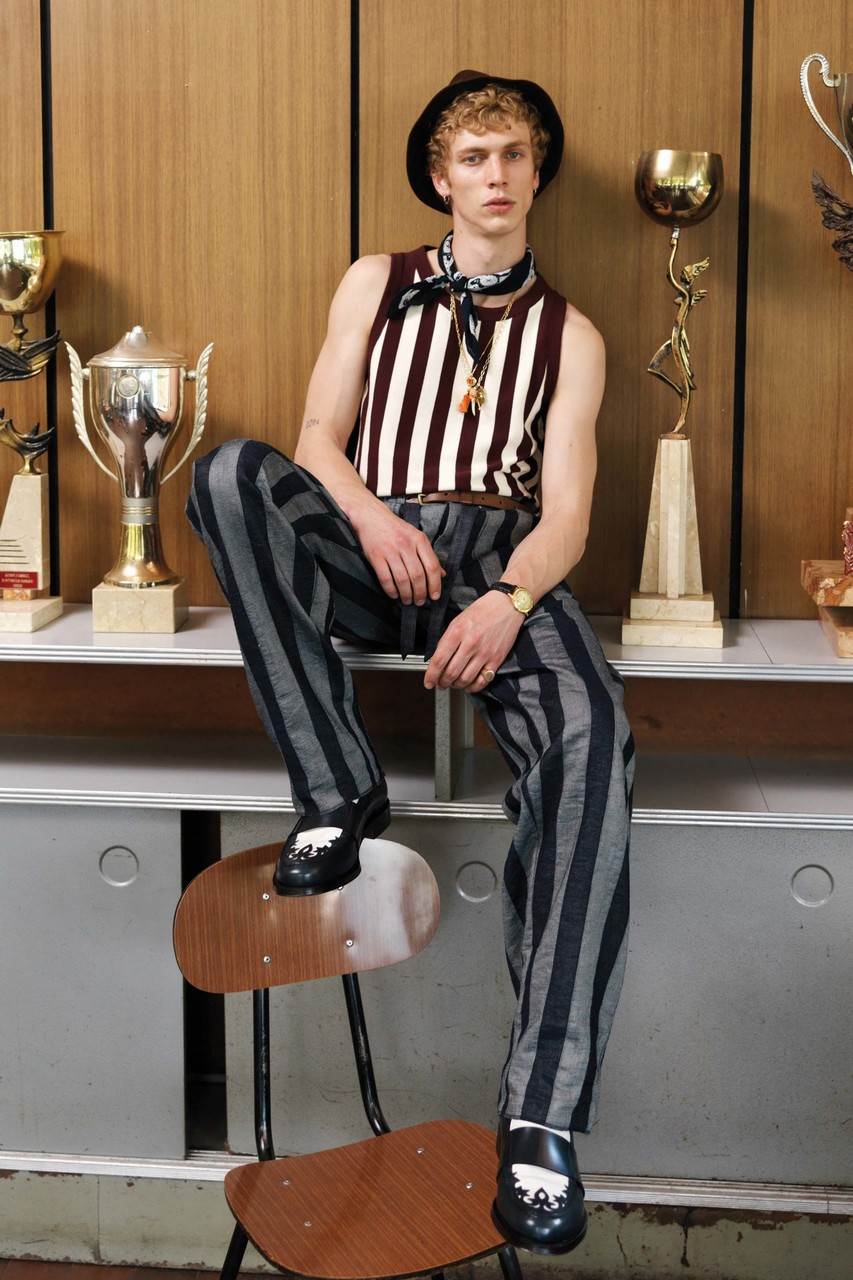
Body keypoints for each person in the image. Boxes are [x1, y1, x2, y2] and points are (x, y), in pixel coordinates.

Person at [187, 69, 635, 1256]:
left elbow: (568, 513)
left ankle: (540, 1119)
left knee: (593, 737)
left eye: (514, 155)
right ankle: (337, 792)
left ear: (536, 174)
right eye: (474, 157)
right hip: (369, 543)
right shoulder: (374, 282)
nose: (495, 176)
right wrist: (374, 519)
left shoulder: (573, 334)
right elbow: (316, 438)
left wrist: (508, 601)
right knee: (230, 474)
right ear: (441, 177)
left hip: (502, 562)